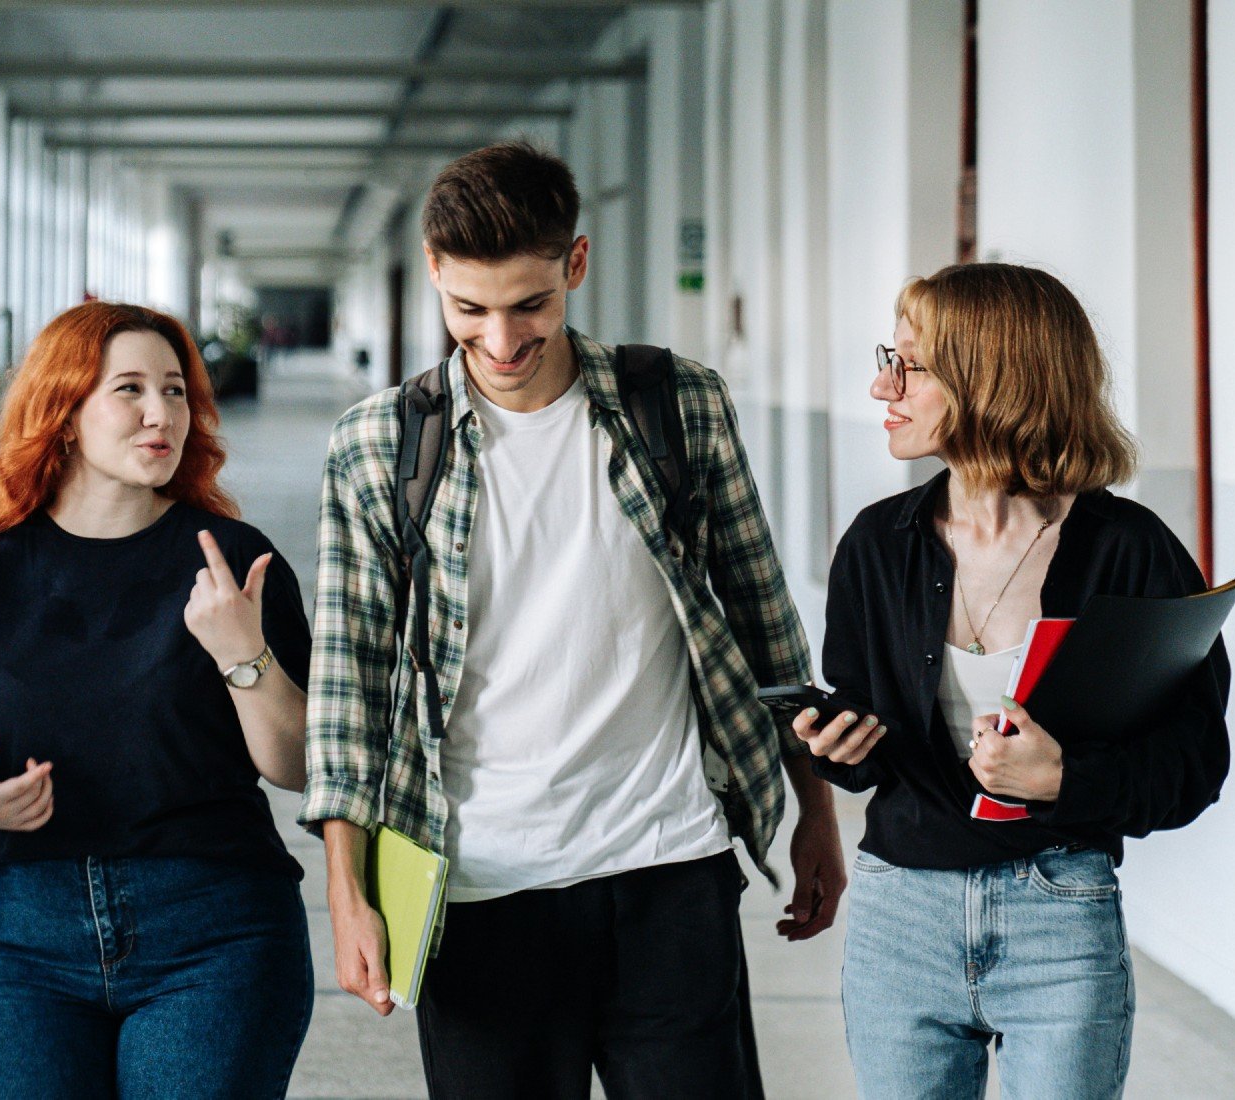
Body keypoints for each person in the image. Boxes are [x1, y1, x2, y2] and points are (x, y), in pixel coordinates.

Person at [302, 140, 844, 1100]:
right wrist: (348, 890)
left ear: (575, 267)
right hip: (477, 888)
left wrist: (817, 811)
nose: (503, 341)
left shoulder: (677, 405)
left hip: (668, 864)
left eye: (531, 306)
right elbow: (352, 686)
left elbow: (766, 619)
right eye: (469, 310)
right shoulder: (380, 445)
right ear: (434, 272)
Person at [799, 262, 1231, 1099]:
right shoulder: (876, 546)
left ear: (993, 378)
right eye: (891, 356)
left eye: (912, 365)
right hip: (900, 913)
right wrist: (838, 749)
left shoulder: (1129, 551)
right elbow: (865, 740)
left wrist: (1065, 780)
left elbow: (1192, 766)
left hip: (1059, 914)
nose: (881, 384)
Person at [0, 302, 314, 1100]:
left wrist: (244, 656)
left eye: (177, 391)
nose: (162, 414)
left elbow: (295, 768)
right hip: (18, 937)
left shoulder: (235, 562)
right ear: (63, 411)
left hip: (215, 932)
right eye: (130, 389)